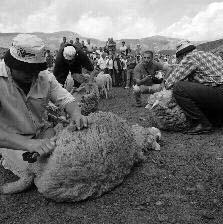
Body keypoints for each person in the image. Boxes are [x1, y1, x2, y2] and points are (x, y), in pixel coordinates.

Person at [0, 34, 90, 194]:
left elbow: (66, 98)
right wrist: (28, 144)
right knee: (36, 168)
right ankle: (8, 159)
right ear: (11, 63)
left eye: (36, 69)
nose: (33, 74)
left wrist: (76, 114)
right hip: (13, 141)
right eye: (26, 70)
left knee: (66, 161)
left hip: (44, 133)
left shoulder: (45, 77)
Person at [164, 40, 223, 134]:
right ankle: (216, 119)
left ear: (182, 55)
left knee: (179, 87)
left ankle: (203, 124)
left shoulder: (190, 57)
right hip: (217, 92)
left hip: (219, 92)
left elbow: (170, 82)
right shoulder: (209, 55)